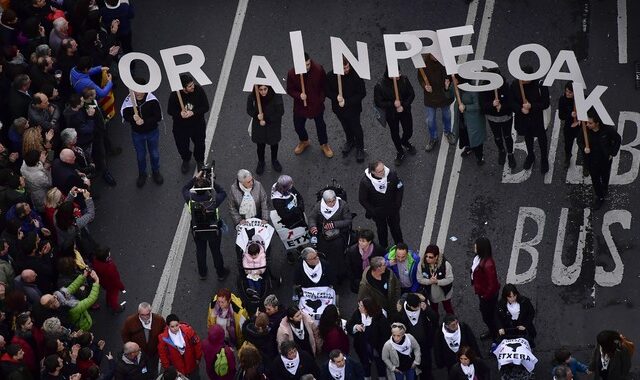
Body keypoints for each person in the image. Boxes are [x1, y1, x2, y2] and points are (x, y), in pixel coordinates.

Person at [182, 169, 230, 281]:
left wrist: (195, 179)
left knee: (200, 251)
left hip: (197, 230)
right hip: (213, 230)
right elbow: (223, 192)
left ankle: (202, 273)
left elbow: (184, 188)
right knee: (216, 252)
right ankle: (220, 273)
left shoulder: (190, 199)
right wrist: (213, 181)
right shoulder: (213, 200)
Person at [286, 52, 333, 158]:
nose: (307, 67)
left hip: (316, 105)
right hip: (300, 106)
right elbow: (290, 89)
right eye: (304, 65)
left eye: (308, 64)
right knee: (298, 126)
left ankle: (324, 144)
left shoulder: (318, 69)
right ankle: (304, 140)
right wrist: (299, 95)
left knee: (321, 125)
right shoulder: (292, 73)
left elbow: (324, 86)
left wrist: (320, 99)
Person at [509, 66, 551, 173]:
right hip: (523, 118)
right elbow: (511, 101)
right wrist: (520, 109)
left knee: (542, 139)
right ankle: (531, 156)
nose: (522, 80)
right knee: (528, 137)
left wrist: (531, 106)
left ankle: (544, 159)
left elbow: (545, 103)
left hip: (538, 118)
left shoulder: (540, 85)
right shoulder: (515, 84)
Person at [578, 108, 621, 210]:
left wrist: (612, 153)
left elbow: (617, 139)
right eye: (587, 122)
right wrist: (584, 148)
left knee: (605, 176)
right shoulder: (585, 130)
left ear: (597, 123)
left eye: (590, 123)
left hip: (605, 160)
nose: (587, 125)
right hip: (592, 160)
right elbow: (579, 140)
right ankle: (600, 197)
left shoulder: (607, 130)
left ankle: (605, 188)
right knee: (595, 180)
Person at [325, 58, 367, 162]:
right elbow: (327, 90)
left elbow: (362, 93)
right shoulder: (331, 76)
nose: (346, 69)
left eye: (347, 66)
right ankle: (350, 141)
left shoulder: (356, 75)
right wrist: (336, 97)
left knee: (356, 129)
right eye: (344, 68)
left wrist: (347, 102)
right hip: (339, 109)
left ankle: (360, 148)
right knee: (346, 127)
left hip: (353, 109)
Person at [121, 87, 164, 187]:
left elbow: (157, 117)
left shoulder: (152, 100)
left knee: (154, 154)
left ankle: (156, 172)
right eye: (135, 90)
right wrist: (133, 118)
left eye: (139, 90)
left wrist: (144, 121)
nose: (137, 93)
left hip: (152, 132)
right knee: (140, 156)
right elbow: (125, 115)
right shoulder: (129, 101)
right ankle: (142, 174)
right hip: (137, 133)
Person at [167, 74, 210, 173]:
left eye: (192, 84)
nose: (193, 87)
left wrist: (193, 112)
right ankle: (186, 159)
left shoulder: (199, 90)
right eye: (189, 86)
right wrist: (179, 114)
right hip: (181, 127)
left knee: (200, 144)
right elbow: (170, 110)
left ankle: (199, 160)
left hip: (197, 124)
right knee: (182, 146)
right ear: (183, 88)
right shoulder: (174, 95)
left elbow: (205, 107)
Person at [374, 69, 416, 165]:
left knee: (409, 130)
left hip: (404, 111)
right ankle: (400, 151)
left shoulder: (404, 79)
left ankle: (405, 141)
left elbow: (411, 94)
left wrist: (403, 105)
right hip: (391, 114)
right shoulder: (380, 85)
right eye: (397, 73)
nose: (400, 75)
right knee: (394, 133)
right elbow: (378, 102)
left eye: (399, 72)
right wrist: (393, 104)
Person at [358, 160, 404, 249]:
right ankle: (383, 247)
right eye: (380, 171)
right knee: (381, 229)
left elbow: (400, 187)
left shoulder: (392, 174)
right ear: (372, 172)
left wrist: (397, 204)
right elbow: (362, 199)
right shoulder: (365, 182)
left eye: (383, 169)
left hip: (392, 209)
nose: (383, 172)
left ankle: (400, 246)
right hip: (378, 212)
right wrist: (373, 211)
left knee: (396, 228)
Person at [391, 293, 437, 380]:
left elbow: (435, 319)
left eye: (419, 305)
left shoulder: (423, 307)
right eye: (416, 307)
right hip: (410, 347)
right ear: (409, 305)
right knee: (412, 368)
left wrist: (427, 309)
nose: (419, 307)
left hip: (424, 344)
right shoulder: (400, 315)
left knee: (426, 366)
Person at [308, 189, 351, 281]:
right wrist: (313, 227)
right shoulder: (318, 206)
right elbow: (312, 218)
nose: (332, 204)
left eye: (333, 201)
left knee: (338, 251)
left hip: (338, 233)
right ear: (324, 201)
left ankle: (340, 272)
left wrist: (334, 224)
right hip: (323, 233)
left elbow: (348, 221)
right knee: (323, 251)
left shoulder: (342, 205)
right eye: (329, 202)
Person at [346, 297, 389, 379]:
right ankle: (367, 377)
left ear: (367, 308)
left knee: (380, 364)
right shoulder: (358, 313)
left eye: (361, 306)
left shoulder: (380, 318)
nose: (359, 307)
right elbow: (349, 324)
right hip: (362, 346)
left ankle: (382, 377)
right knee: (365, 363)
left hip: (377, 348)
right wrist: (355, 327)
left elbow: (385, 335)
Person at [420, 54, 455, 151]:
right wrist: (425, 86)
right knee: (430, 120)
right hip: (430, 97)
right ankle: (433, 138)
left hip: (444, 96)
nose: (435, 56)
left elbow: (451, 77)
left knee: (447, 116)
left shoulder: (445, 63)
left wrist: (448, 85)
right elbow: (420, 77)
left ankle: (448, 132)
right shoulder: (423, 64)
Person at [247, 84, 284, 174]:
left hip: (272, 125)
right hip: (259, 125)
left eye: (265, 89)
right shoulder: (253, 96)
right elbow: (249, 109)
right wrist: (256, 115)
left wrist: (266, 119)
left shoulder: (276, 96)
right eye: (260, 89)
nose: (263, 92)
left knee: (274, 144)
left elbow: (280, 112)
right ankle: (261, 162)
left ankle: (274, 160)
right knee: (260, 146)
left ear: (269, 88)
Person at [120, 302, 165, 376]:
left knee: (153, 369)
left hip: (154, 353)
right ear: (138, 313)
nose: (145, 317)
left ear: (150, 312)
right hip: (138, 354)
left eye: (147, 314)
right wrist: (131, 348)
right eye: (142, 315)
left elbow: (164, 333)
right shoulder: (130, 321)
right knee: (140, 370)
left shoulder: (159, 320)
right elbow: (125, 335)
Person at [451, 74, 486, 165]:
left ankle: (479, 156)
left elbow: (478, 106)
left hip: (473, 120)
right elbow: (449, 96)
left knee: (476, 139)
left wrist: (465, 107)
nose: (453, 80)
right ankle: (469, 147)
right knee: (465, 134)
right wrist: (447, 88)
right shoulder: (457, 87)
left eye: (455, 79)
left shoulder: (472, 91)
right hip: (463, 118)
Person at [470, 237, 500, 340]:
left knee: (488, 316)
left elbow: (493, 285)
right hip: (482, 293)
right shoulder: (478, 258)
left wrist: (484, 296)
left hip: (487, 296)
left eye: (476, 245)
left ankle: (495, 334)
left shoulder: (488, 265)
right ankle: (493, 331)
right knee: (487, 315)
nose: (474, 246)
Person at [157, 314, 202, 379]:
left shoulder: (188, 331)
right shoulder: (163, 339)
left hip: (192, 365)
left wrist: (198, 358)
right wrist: (169, 369)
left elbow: (197, 344)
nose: (175, 328)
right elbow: (163, 356)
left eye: (177, 325)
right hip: (178, 370)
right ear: (168, 326)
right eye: (172, 326)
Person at [417, 244, 454, 315]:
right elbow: (419, 279)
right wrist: (429, 281)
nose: (427, 259)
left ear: (436, 257)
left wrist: (437, 281)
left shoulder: (445, 264)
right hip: (432, 294)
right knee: (434, 310)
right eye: (426, 256)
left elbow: (450, 279)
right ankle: (435, 323)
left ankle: (452, 321)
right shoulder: (421, 264)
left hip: (445, 292)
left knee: (448, 308)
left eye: (430, 257)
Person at [345, 229, 386, 293]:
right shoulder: (352, 251)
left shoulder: (378, 249)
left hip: (374, 278)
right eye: (359, 240)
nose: (360, 243)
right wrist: (354, 280)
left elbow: (383, 262)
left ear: (369, 242)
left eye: (363, 241)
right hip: (359, 280)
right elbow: (349, 267)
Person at [91, 246, 125, 314]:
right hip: (112, 285)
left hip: (104, 282)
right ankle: (116, 308)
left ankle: (108, 302)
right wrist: (122, 288)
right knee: (114, 297)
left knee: (109, 293)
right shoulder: (110, 268)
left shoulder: (95, 261)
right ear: (106, 257)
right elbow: (116, 280)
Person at [557, 81, 580, 169]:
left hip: (580, 126)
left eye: (570, 92)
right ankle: (567, 157)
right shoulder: (562, 99)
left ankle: (586, 163)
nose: (567, 93)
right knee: (568, 144)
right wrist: (570, 115)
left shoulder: (581, 99)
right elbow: (561, 116)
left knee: (582, 144)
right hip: (569, 126)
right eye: (566, 91)